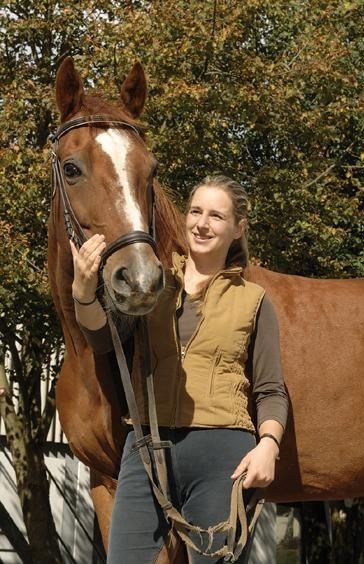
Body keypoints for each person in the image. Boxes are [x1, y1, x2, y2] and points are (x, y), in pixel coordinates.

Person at [70, 175, 288, 564]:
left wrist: (268, 446)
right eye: (196, 211)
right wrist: (84, 294)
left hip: (222, 456)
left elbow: (270, 390)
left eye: (217, 216)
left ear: (237, 229)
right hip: (147, 452)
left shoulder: (254, 301)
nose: (202, 224)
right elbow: (105, 341)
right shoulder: (151, 281)